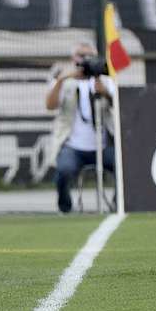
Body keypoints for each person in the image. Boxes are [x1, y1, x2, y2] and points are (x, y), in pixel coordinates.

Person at [45, 42, 116, 214]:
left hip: (102, 145)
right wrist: (61, 80)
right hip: (74, 146)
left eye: (89, 55)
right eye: (81, 55)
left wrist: (105, 91)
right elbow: (50, 105)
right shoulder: (64, 80)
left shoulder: (105, 79)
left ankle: (118, 204)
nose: (85, 60)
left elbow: (118, 106)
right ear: (74, 58)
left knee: (123, 166)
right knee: (63, 170)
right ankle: (65, 207)